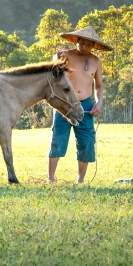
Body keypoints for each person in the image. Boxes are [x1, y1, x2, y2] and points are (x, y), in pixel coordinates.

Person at [48, 26, 112, 184]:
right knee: (57, 140)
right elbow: (53, 70)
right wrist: (57, 57)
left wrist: (99, 102)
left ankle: (80, 180)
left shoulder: (96, 61)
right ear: (76, 41)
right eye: (81, 43)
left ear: (93, 46)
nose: (84, 47)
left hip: (86, 104)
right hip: (65, 104)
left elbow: (98, 86)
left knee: (86, 142)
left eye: (88, 44)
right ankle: (50, 178)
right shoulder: (66, 55)